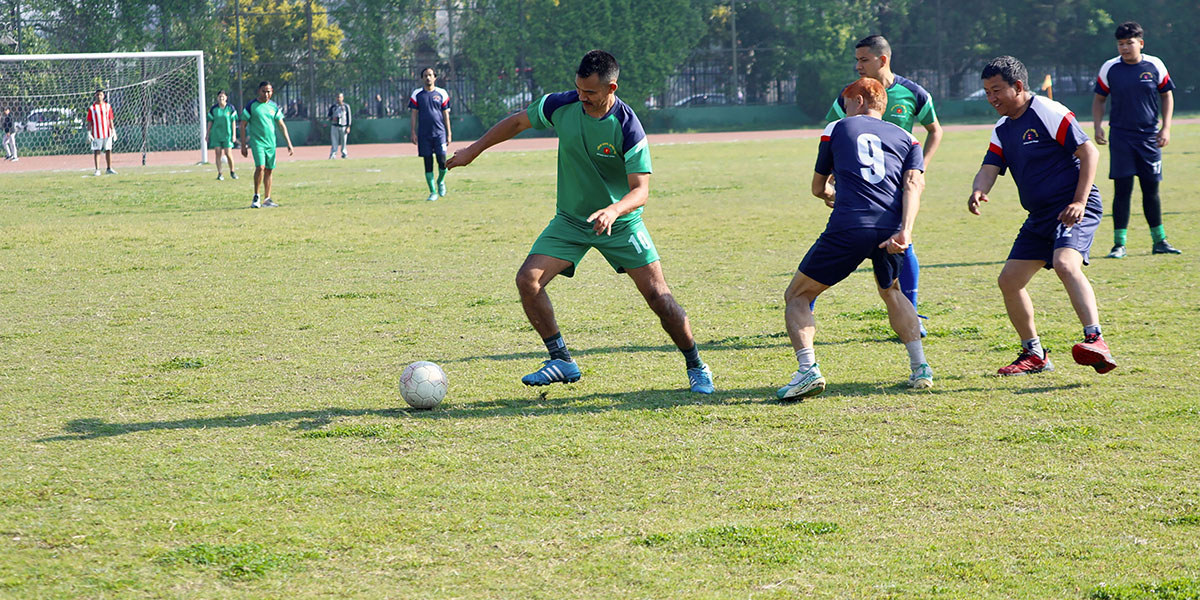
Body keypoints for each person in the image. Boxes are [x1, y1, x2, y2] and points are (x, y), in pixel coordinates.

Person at [446, 50, 714, 394]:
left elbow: (640, 191)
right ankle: (561, 360)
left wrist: (613, 211)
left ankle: (696, 365)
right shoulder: (563, 104)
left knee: (659, 297)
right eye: (578, 89)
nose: (582, 97)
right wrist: (474, 150)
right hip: (571, 221)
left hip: (621, 223)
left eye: (590, 93)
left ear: (611, 87)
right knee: (528, 280)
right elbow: (516, 122)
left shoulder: (628, 126)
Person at [777, 78, 932, 400]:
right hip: (891, 228)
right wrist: (906, 230)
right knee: (892, 291)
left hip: (849, 225)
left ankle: (807, 370)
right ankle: (920, 368)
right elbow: (913, 186)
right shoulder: (907, 138)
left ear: (860, 100)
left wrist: (830, 193)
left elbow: (818, 186)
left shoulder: (837, 128)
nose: (844, 109)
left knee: (797, 296)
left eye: (846, 102)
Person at [968, 56, 1117, 376]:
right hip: (1040, 215)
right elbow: (990, 166)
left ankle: (1096, 339)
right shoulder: (1003, 128)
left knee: (1065, 263)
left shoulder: (1048, 111)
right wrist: (979, 189)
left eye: (996, 91)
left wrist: (1078, 201)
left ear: (1018, 86)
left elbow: (1089, 152)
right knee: (1009, 281)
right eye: (987, 92)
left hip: (1073, 206)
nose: (991, 98)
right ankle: (1034, 353)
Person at [822, 35, 943, 337]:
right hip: (860, 185)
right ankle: (806, 303)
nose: (858, 66)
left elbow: (934, 131)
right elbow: (834, 133)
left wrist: (920, 168)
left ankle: (911, 312)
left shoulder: (912, 93)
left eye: (863, 59)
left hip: (898, 183)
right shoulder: (851, 94)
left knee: (903, 239)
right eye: (857, 60)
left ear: (883, 59)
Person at [1092, 21, 1181, 257]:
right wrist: (1098, 126)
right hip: (1121, 137)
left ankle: (1159, 241)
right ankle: (1119, 244)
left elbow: (1167, 96)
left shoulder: (1155, 65)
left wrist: (1166, 128)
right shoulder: (1110, 68)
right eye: (1120, 44)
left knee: (1151, 191)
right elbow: (1099, 99)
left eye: (1129, 43)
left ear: (1140, 43)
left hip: (1149, 138)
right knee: (1122, 191)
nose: (1124, 48)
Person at [238, 81, 294, 208]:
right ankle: (256, 196)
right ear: (259, 91)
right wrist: (243, 145)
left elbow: (281, 125)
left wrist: (289, 143)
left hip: (271, 143)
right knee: (260, 167)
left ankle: (267, 199)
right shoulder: (252, 105)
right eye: (264, 91)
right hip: (258, 143)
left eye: (268, 91)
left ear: (272, 91)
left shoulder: (273, 107)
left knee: (269, 170)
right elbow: (243, 124)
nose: (266, 94)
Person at [409, 68, 452, 201]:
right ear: (422, 78)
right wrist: (413, 132)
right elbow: (414, 114)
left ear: (435, 77)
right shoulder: (417, 94)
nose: (428, 78)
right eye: (425, 76)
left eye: (430, 75)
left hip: (439, 133)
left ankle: (440, 181)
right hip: (424, 134)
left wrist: (449, 133)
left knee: (442, 162)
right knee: (428, 163)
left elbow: (446, 114)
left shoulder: (442, 93)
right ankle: (433, 192)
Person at [206, 90, 239, 181]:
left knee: (228, 153)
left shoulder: (230, 108)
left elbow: (233, 121)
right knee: (217, 153)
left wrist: (234, 135)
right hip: (216, 134)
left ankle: (232, 171)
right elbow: (210, 122)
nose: (221, 98)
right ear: (217, 98)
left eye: (223, 96)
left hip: (227, 135)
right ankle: (220, 173)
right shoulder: (214, 109)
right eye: (220, 97)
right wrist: (207, 134)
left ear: (226, 98)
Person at [86, 89, 117, 176]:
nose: (99, 96)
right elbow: (89, 121)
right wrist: (89, 132)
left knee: (108, 150)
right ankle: (97, 169)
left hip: (107, 132)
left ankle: (109, 168)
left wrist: (113, 130)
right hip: (96, 134)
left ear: (103, 96)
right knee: (97, 151)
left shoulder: (108, 106)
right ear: (95, 96)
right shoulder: (92, 108)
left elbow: (110, 119)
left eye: (100, 95)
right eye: (97, 95)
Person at [328, 92, 352, 159]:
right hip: (334, 126)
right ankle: (333, 154)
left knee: (343, 141)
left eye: (340, 97)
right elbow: (329, 116)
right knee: (334, 141)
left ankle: (344, 154)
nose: (339, 99)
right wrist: (333, 118)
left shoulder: (346, 106)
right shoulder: (333, 107)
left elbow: (349, 117)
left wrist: (348, 126)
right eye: (337, 97)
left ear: (343, 98)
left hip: (343, 126)